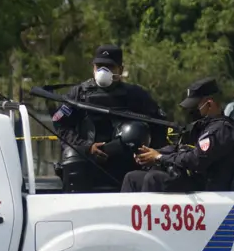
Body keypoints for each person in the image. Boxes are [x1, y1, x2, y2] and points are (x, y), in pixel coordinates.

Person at [52, 44, 168, 193]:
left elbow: (160, 124)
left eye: (109, 67)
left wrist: (149, 154)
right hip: (88, 164)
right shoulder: (78, 94)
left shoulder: (136, 95)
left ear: (120, 69)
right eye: (99, 66)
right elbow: (60, 124)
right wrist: (86, 147)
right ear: (93, 67)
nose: (103, 71)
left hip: (126, 167)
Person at [121, 77, 234, 193]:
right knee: (132, 178)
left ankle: (149, 214)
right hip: (193, 180)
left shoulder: (221, 130)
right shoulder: (204, 126)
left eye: (196, 106)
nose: (192, 111)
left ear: (209, 104)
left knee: (154, 178)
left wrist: (159, 158)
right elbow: (181, 148)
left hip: (206, 187)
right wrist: (151, 153)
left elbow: (196, 160)